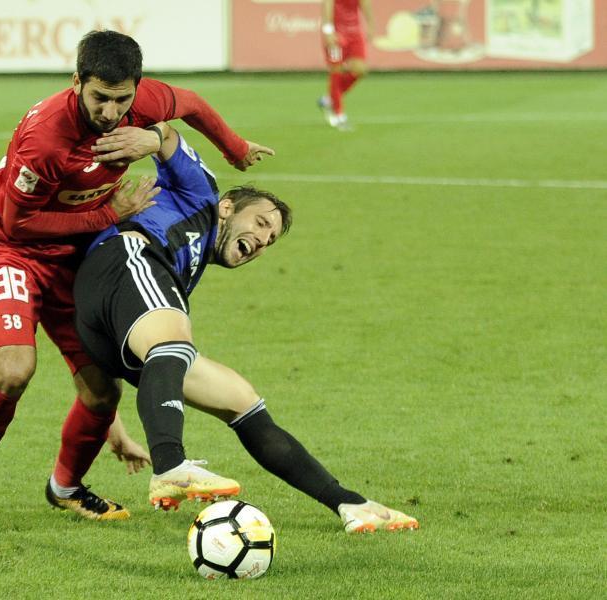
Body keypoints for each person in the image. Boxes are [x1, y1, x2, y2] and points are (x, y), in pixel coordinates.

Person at [0, 30, 275, 539]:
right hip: (10, 250)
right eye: (100, 97)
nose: (111, 111)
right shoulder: (45, 139)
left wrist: (233, 148)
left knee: (102, 392)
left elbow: (190, 104)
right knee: (13, 370)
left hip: (76, 252)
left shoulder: (141, 103)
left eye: (122, 99)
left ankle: (65, 487)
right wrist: (107, 213)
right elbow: (18, 223)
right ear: (77, 81)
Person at [71, 122, 420, 533]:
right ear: (228, 207)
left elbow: (98, 373)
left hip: (106, 321)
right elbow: (168, 136)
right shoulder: (201, 195)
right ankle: (171, 465)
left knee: (242, 401)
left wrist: (110, 424)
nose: (262, 240)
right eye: (260, 223)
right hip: (126, 256)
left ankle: (349, 504)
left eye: (270, 240)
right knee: (173, 343)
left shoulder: (183, 273)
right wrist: (153, 137)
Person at [317, 0, 373, 131]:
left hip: (355, 32)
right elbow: (327, 7)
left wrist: (370, 25)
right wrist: (328, 31)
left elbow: (365, 4)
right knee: (336, 71)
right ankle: (339, 115)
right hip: (337, 33)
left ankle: (329, 99)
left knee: (360, 69)